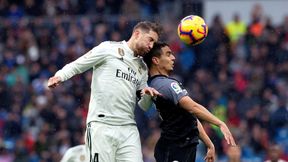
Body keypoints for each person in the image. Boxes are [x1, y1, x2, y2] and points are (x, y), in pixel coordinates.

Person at [47, 21, 162, 162]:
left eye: (154, 43)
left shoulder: (142, 68)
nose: (151, 46)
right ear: (137, 34)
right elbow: (79, 64)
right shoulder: (108, 49)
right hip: (102, 125)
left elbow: (144, 105)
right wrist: (60, 76)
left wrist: (148, 96)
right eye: (150, 40)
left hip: (128, 128)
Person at [142, 41, 237, 162]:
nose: (173, 57)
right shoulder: (165, 85)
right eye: (168, 54)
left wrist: (209, 144)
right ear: (155, 60)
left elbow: (190, 116)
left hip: (183, 147)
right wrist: (220, 123)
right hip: (174, 148)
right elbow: (193, 107)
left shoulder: (163, 83)